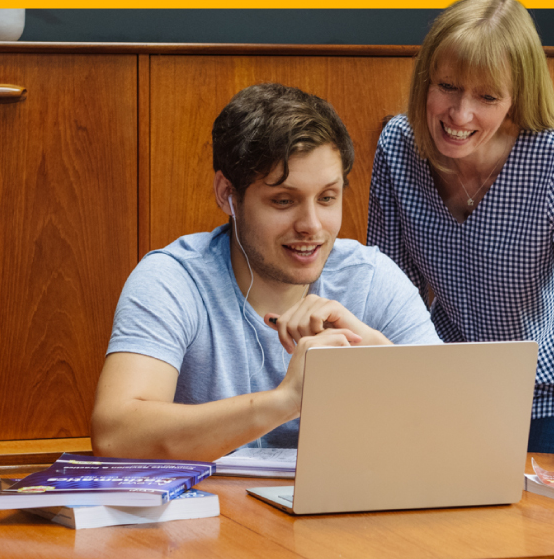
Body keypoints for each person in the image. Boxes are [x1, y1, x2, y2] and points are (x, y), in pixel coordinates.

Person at [91, 83, 440, 462]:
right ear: (228, 194)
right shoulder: (172, 280)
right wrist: (287, 400)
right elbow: (116, 435)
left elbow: (459, 425)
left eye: (327, 198)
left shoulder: (371, 279)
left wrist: (380, 358)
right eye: (283, 201)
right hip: (212, 517)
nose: (311, 226)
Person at [367, 0, 554, 472]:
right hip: (444, 385)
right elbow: (388, 294)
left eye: (487, 97)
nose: (460, 115)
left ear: (517, 98)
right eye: (447, 86)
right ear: (426, 80)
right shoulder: (398, 148)